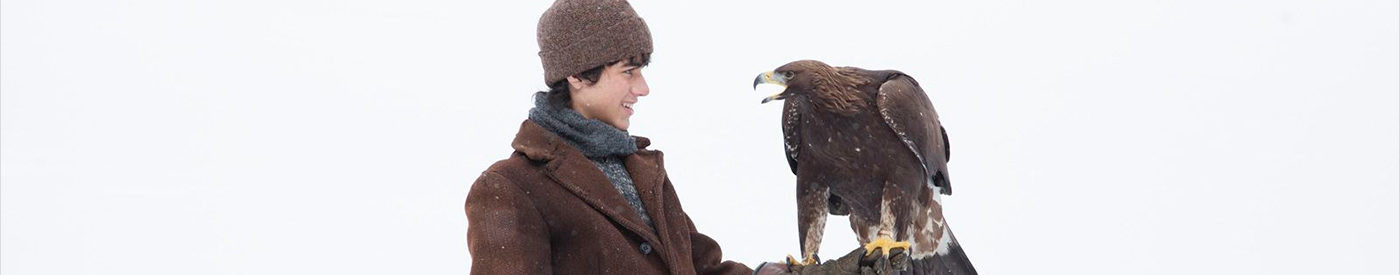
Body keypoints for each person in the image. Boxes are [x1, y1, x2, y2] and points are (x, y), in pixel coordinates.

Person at [464, 0, 906, 274]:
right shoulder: (509, 188)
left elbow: (701, 270)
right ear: (578, 75)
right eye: (629, 72)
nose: (642, 89)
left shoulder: (641, 170)